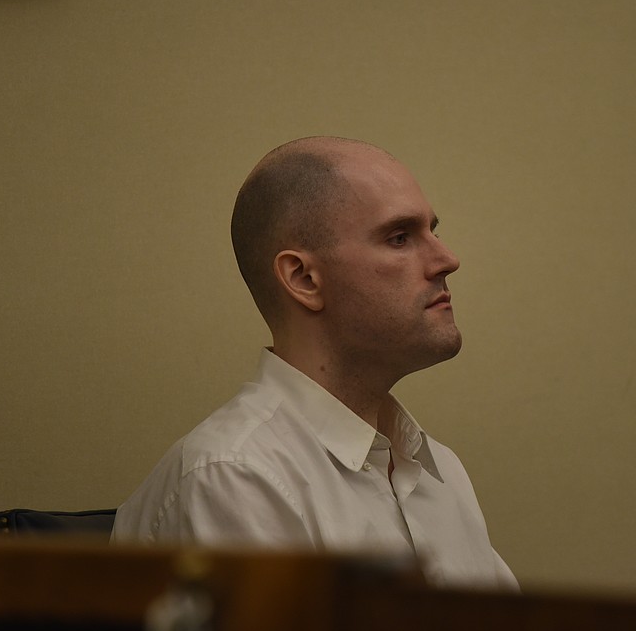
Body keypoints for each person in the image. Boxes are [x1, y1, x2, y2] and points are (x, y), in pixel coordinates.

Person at [112, 136, 517, 590]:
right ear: (304, 278)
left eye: (433, 231)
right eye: (400, 237)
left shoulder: (438, 468)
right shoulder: (234, 475)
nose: (447, 259)